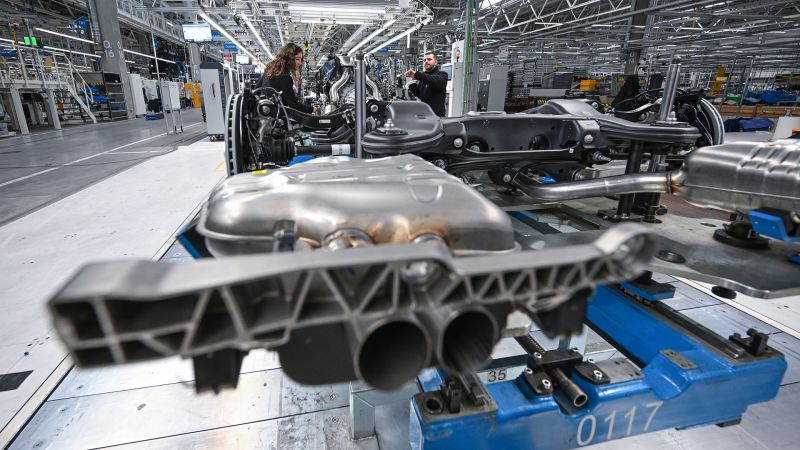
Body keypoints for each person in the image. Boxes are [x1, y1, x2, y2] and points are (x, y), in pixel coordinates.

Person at [256, 43, 314, 114]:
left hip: (264, 116)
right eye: (297, 59)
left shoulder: (269, 71)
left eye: (301, 59)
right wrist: (312, 109)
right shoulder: (285, 78)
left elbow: (256, 90)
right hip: (277, 119)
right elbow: (293, 105)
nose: (300, 62)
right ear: (288, 58)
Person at [404, 52, 448, 117]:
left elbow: (433, 80)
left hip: (437, 116)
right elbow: (420, 95)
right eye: (424, 60)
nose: (426, 61)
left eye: (429, 59)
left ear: (436, 62)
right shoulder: (423, 78)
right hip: (425, 115)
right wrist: (411, 84)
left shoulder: (442, 74)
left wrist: (417, 75)